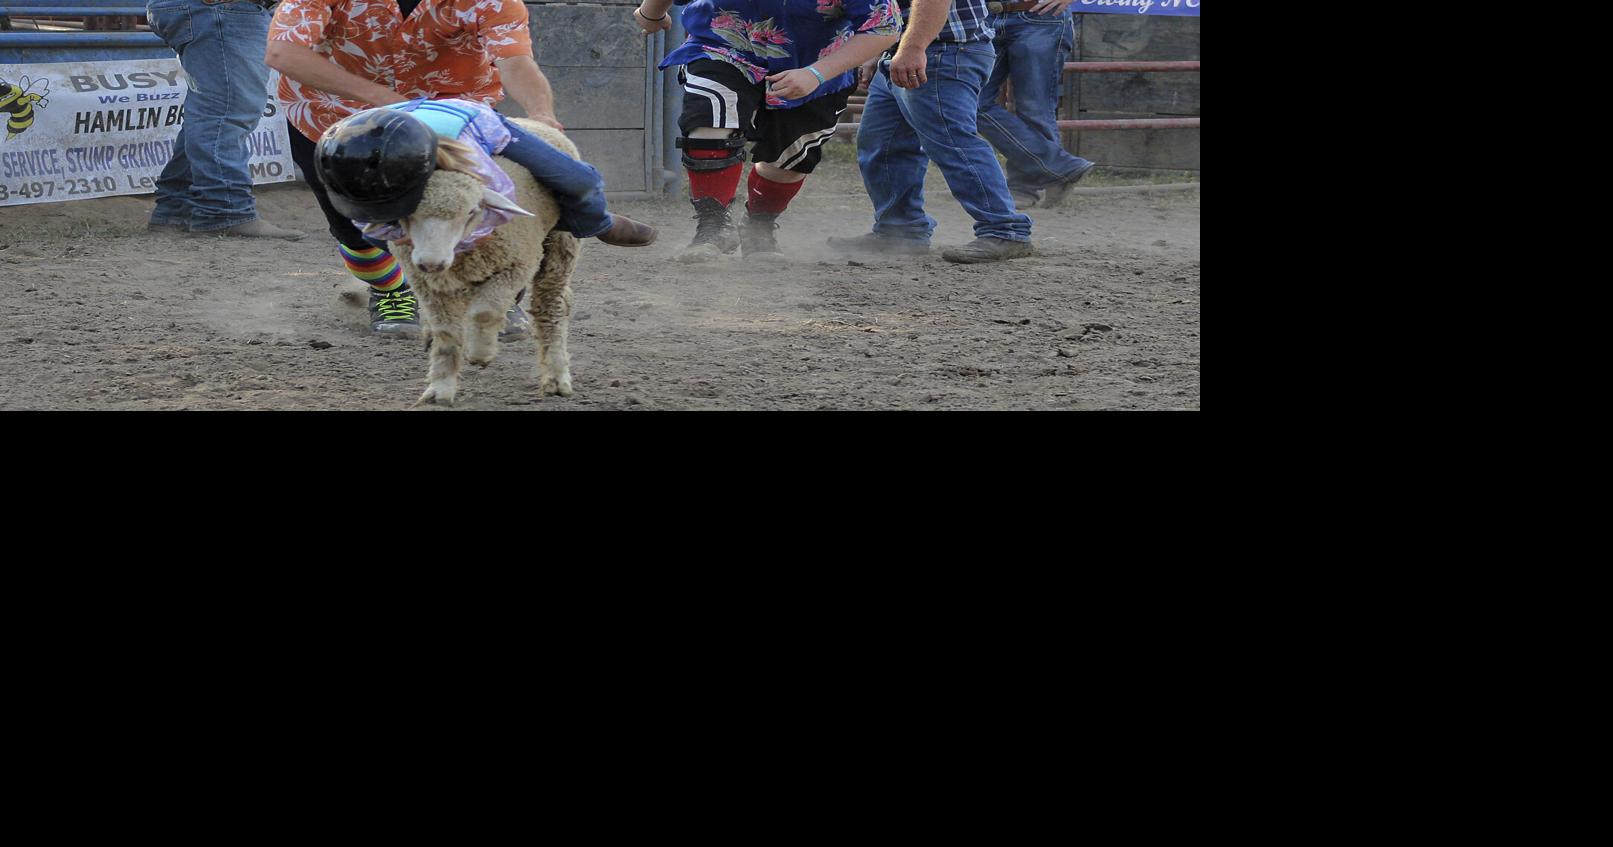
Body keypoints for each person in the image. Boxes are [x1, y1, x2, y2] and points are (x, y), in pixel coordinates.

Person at [265, 0, 657, 335]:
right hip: (335, 119)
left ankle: (532, 268)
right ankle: (392, 294)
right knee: (356, 225)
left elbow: (515, 61)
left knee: (492, 205)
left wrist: (541, 114)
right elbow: (283, 53)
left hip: (461, 120)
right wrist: (384, 100)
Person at [635, 0, 902, 261]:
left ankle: (759, 224)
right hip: (722, 46)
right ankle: (713, 226)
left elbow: (883, 27)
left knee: (792, 157)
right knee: (710, 121)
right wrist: (652, 13)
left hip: (816, 62)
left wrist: (816, 74)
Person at [827, 0, 1035, 263]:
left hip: (940, 50)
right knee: (882, 144)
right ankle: (900, 230)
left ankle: (1005, 230)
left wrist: (913, 47)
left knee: (952, 142)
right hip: (910, 50)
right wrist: (878, 52)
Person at [144, 0, 303, 239]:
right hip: (220, 9)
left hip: (214, 9)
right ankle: (224, 210)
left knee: (217, 111)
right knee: (226, 112)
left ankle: (179, 208)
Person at [977, 0, 1094, 209]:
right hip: (984, 16)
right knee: (972, 103)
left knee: (1034, 108)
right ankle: (1059, 168)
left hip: (1039, 15)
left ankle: (1025, 187)